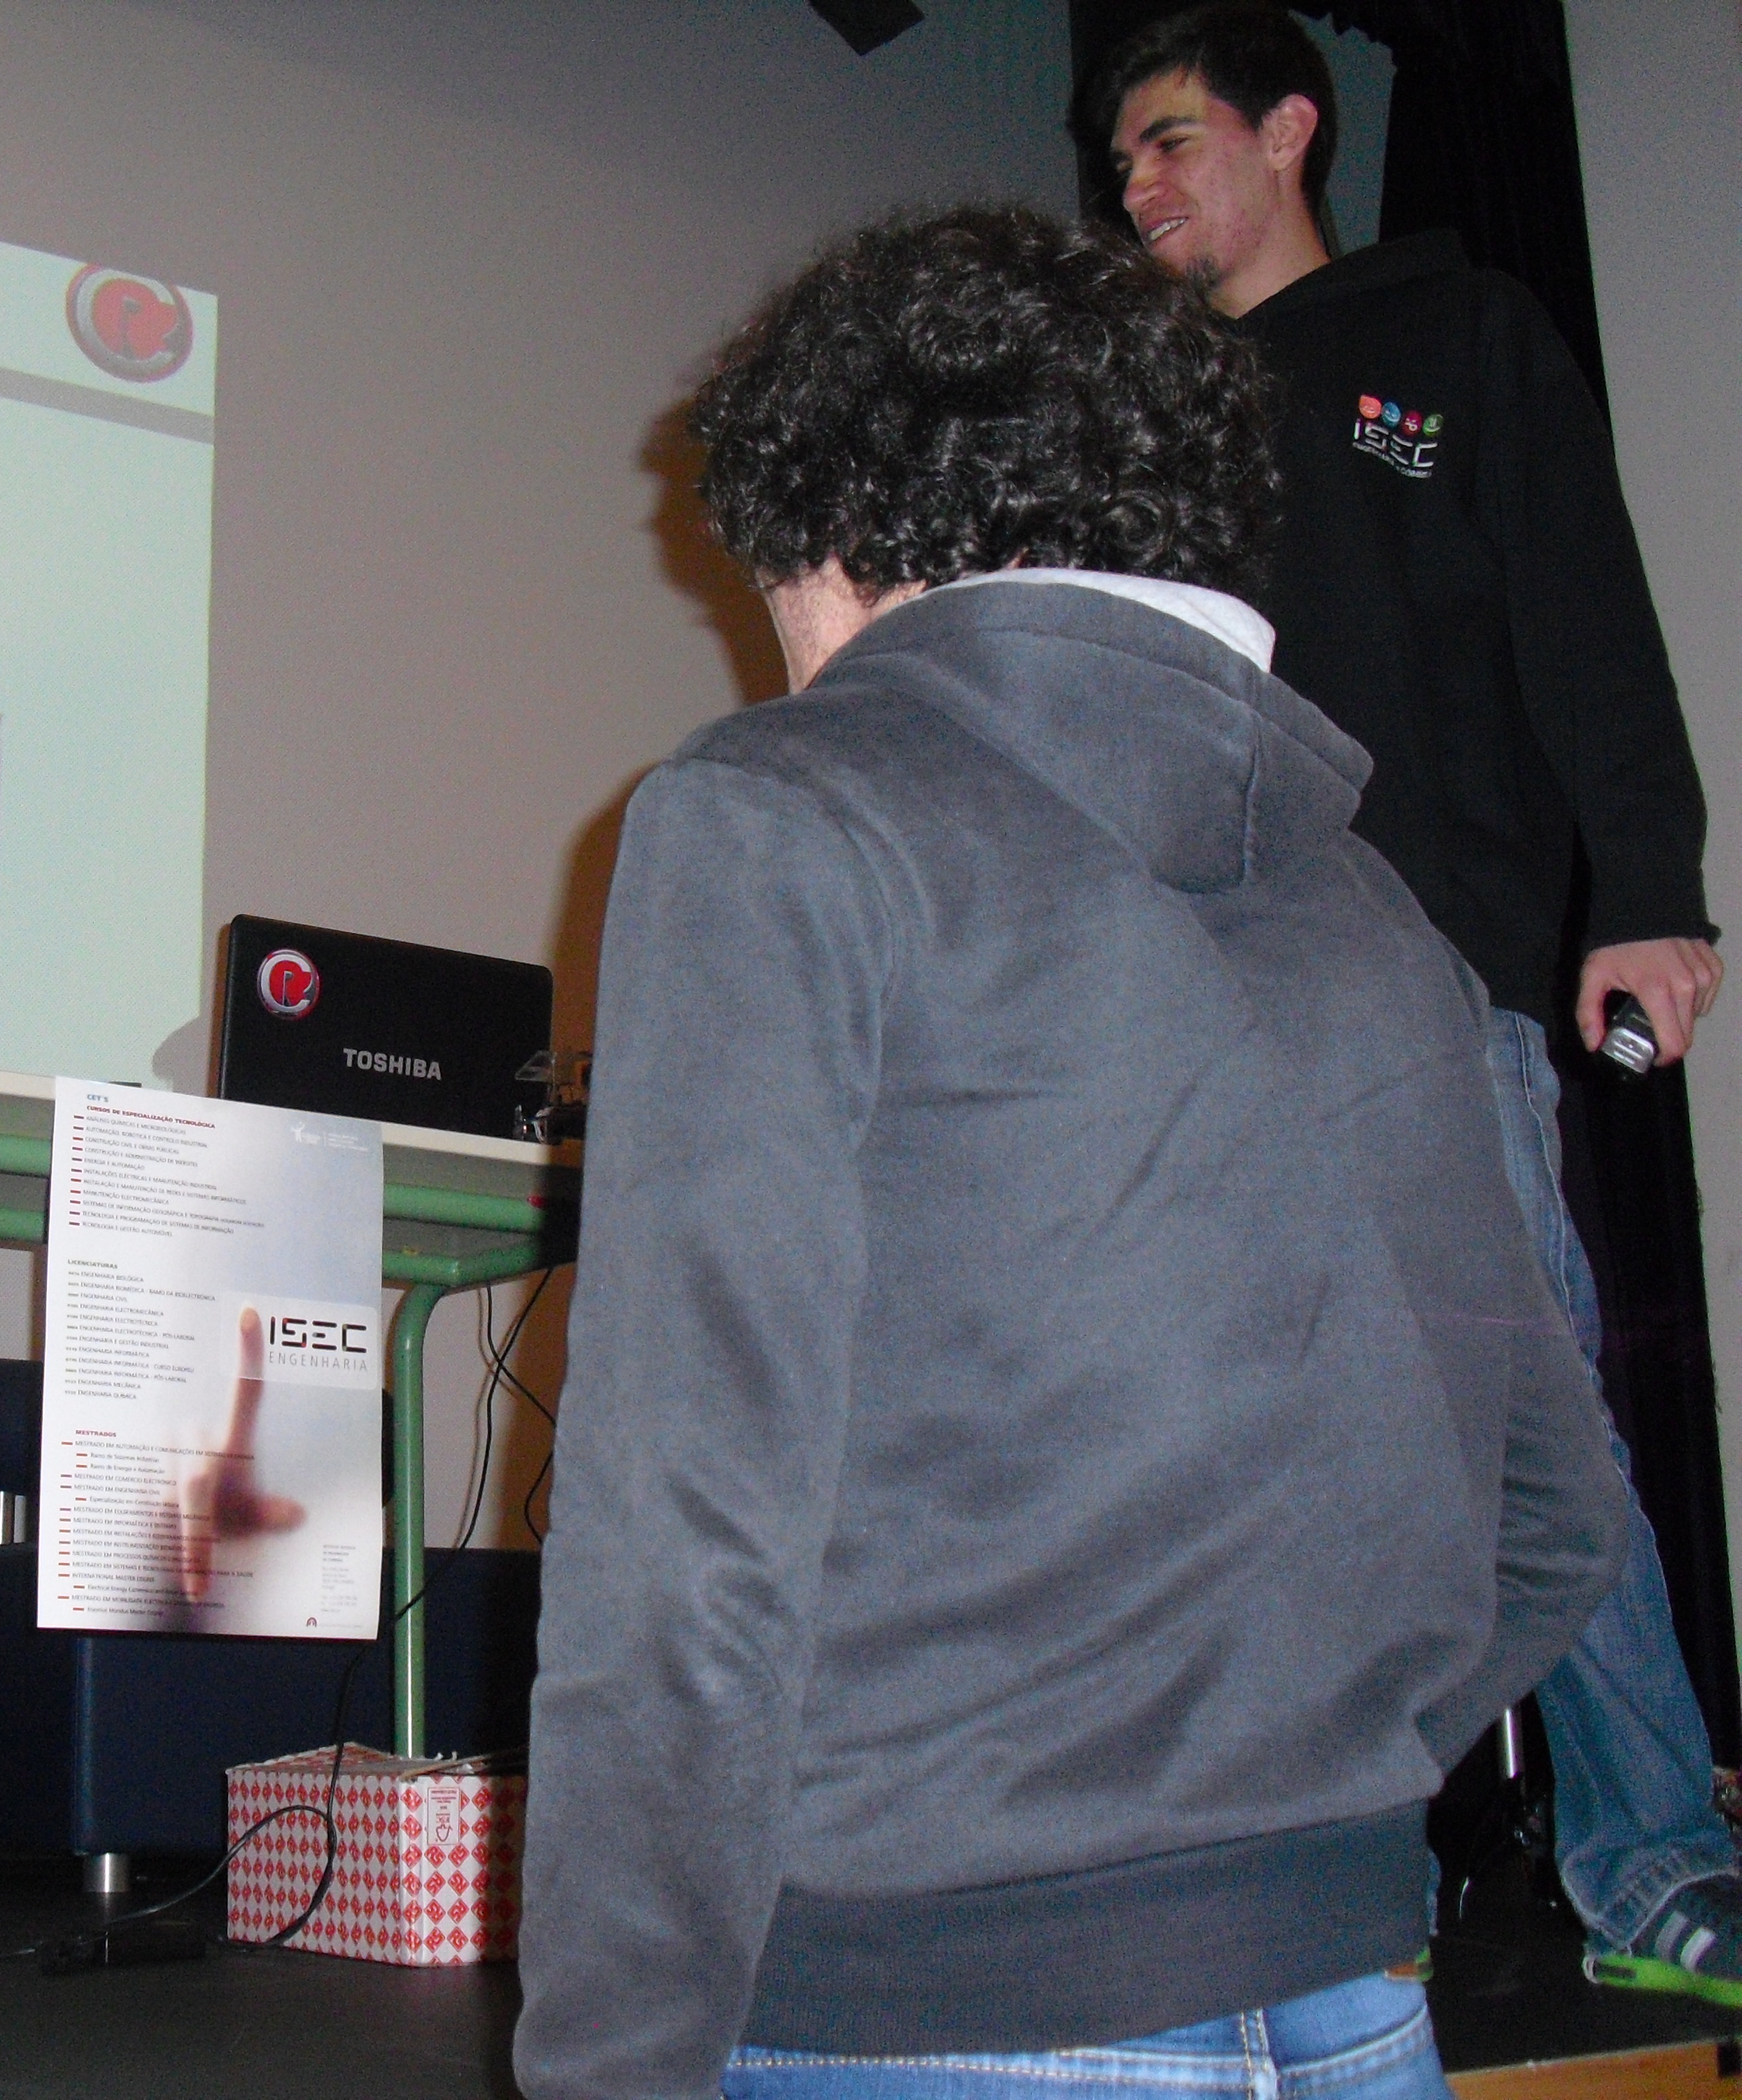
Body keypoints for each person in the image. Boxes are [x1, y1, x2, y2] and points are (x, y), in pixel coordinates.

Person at [513, 202, 1629, 2100]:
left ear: (835, 539)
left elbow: (684, 1556)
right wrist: (1287, 1800)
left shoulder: (778, 810)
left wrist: (610, 2070)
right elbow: (1560, 1514)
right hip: (1356, 2005)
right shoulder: (1378, 916)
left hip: (925, 2016)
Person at [1088, 2, 1736, 2003]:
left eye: (1172, 138)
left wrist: (1650, 892)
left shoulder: (1450, 344)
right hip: (1201, 996)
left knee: (1527, 1417)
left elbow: (1585, 609)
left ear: (1292, 127)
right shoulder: (1150, 417)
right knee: (1221, 1434)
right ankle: (1281, 1874)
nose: (1137, 184)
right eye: (1123, 159)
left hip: (1433, 976)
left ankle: (1657, 1859)